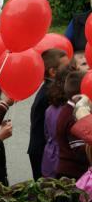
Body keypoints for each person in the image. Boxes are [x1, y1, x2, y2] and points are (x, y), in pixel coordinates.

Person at [54, 70, 91, 202]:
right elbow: (79, 150)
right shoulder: (72, 117)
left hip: (65, 171)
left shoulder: (64, 111)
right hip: (73, 174)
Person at [28, 49, 69, 180]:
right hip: (43, 152)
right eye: (66, 67)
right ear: (53, 72)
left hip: (44, 149)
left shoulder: (49, 90)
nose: (70, 70)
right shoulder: (51, 95)